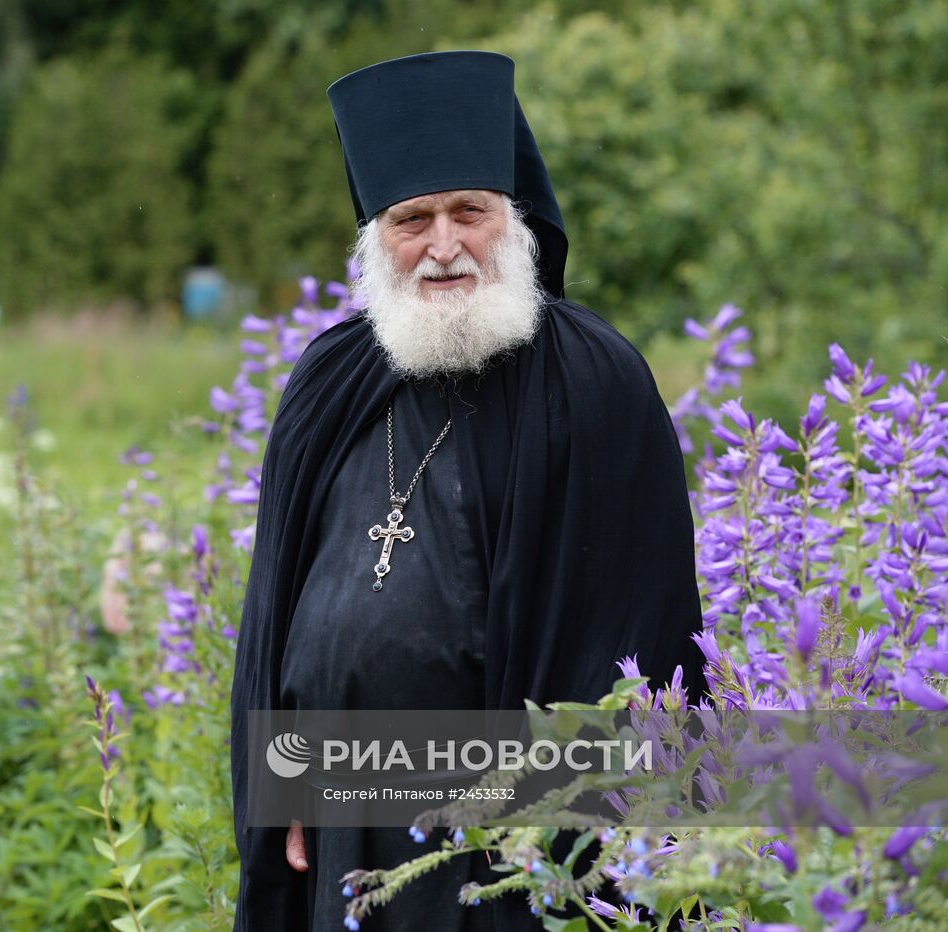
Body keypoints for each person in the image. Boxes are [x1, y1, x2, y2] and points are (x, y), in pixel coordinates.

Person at [229, 50, 709, 930]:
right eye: (413, 219)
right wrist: (285, 777)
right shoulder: (327, 381)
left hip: (500, 858)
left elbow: (630, 648)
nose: (444, 246)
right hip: (339, 834)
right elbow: (272, 622)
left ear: (513, 218)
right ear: (374, 236)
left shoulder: (593, 383)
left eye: (470, 213)